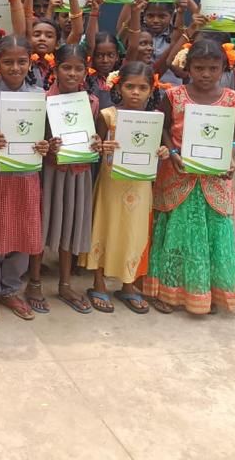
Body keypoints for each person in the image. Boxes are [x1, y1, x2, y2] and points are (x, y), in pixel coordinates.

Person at [144, 39, 235, 315]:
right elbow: (164, 127)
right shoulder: (174, 96)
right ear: (187, 67)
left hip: (214, 178)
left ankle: (206, 291)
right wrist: (174, 152)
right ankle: (167, 291)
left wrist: (231, 154)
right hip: (179, 175)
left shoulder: (232, 99)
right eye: (199, 68)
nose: (205, 74)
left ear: (223, 68)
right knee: (176, 236)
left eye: (213, 69)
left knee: (212, 236)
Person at [79, 62, 167, 313]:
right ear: (119, 87)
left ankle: (128, 285)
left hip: (140, 186)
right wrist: (100, 145)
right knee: (106, 228)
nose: (136, 93)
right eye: (130, 86)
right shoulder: (108, 115)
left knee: (135, 232)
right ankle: (98, 283)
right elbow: (94, 143)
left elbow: (159, 147)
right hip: (111, 184)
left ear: (152, 90)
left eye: (142, 87)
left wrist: (161, 151)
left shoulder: (154, 120)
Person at [0, 35, 49, 323]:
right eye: (8, 62)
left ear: (30, 62)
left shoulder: (40, 95)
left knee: (24, 232)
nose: (15, 67)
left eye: (21, 61)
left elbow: (46, 137)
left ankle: (11, 289)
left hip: (27, 175)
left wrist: (45, 145)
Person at [27, 43, 102, 314]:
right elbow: (35, 141)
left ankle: (65, 283)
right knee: (43, 223)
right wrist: (48, 145)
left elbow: (98, 138)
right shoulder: (44, 101)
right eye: (66, 67)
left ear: (86, 70)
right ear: (55, 69)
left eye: (78, 68)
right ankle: (34, 282)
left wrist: (97, 143)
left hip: (79, 172)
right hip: (50, 172)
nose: (72, 73)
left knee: (72, 224)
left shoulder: (91, 103)